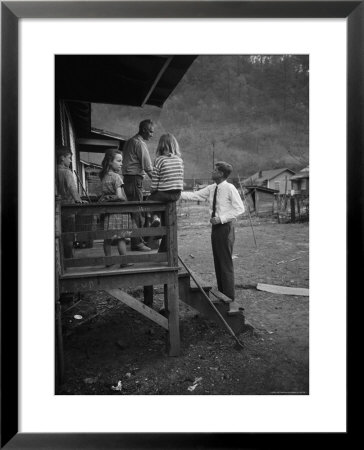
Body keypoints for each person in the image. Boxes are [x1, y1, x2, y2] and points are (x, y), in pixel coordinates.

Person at [180, 161, 245, 313]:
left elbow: (239, 208)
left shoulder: (229, 188)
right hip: (215, 228)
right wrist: (177, 193)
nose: (212, 171)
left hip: (225, 228)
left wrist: (221, 218)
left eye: (215, 170)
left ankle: (229, 299)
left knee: (225, 263)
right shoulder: (212, 188)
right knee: (218, 261)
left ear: (221, 173)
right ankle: (222, 295)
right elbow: (195, 195)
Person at [122, 119, 155, 252]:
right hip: (135, 179)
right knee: (137, 210)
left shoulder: (129, 141)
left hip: (128, 179)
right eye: (151, 131)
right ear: (144, 130)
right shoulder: (140, 143)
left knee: (133, 210)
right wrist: (158, 182)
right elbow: (148, 167)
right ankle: (137, 243)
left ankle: (137, 239)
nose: (152, 135)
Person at [147, 133, 184, 252]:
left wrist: (152, 191)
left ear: (160, 146)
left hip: (163, 193)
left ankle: (155, 218)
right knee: (167, 216)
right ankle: (160, 236)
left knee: (150, 201)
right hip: (176, 194)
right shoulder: (179, 160)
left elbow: (155, 179)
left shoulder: (159, 160)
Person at [99, 149, 133, 268]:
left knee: (107, 237)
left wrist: (107, 199)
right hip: (119, 211)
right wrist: (123, 199)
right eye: (118, 161)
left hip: (108, 212)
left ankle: (108, 261)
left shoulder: (104, 176)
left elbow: (103, 195)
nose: (121, 163)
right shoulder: (117, 177)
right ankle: (124, 261)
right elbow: (119, 196)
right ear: (110, 162)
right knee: (121, 237)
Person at [56, 146, 88, 258]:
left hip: (57, 208)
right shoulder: (66, 172)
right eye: (69, 158)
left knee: (58, 234)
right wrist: (79, 201)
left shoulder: (54, 171)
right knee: (68, 234)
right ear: (62, 158)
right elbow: (72, 188)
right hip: (68, 208)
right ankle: (69, 258)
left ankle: (60, 258)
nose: (70, 161)